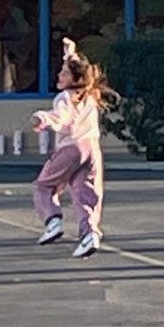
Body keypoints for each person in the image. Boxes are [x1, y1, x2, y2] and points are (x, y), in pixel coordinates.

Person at [31, 38, 113, 258]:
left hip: (71, 148)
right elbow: (81, 70)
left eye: (64, 73)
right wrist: (71, 54)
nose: (59, 76)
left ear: (74, 79)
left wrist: (43, 119)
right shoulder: (90, 95)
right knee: (86, 194)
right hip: (92, 150)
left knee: (44, 186)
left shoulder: (65, 98)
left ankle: (53, 220)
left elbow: (62, 117)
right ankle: (90, 235)